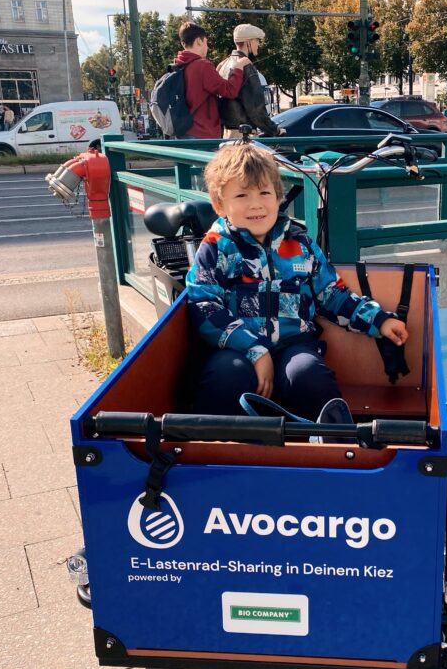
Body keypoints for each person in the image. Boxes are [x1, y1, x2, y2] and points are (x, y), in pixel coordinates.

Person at [186, 143, 408, 419]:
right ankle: (209, 450)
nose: (255, 204)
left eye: (264, 192)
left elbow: (331, 294)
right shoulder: (217, 247)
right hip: (237, 348)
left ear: (278, 197)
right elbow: (204, 304)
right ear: (220, 205)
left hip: (293, 346)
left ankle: (337, 445)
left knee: (308, 373)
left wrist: (379, 321)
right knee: (225, 375)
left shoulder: (299, 244)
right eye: (242, 195)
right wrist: (255, 351)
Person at [173, 21, 249, 140]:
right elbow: (230, 90)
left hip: (184, 132)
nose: (207, 47)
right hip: (203, 134)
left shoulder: (179, 65)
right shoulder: (202, 65)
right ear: (199, 41)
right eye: (206, 42)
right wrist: (239, 66)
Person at [217, 24, 282, 138]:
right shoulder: (245, 65)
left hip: (226, 133)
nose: (258, 44)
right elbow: (255, 109)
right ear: (248, 42)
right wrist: (274, 130)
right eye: (257, 40)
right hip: (244, 134)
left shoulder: (223, 65)